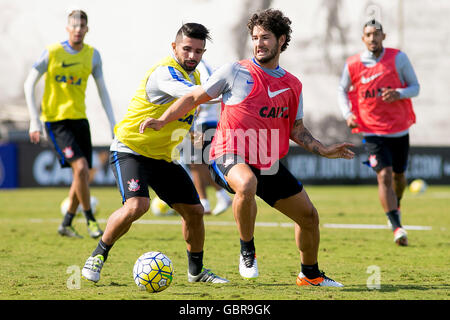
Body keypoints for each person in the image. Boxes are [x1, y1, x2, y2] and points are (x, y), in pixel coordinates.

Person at [140, 9, 355, 287]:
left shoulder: (293, 85)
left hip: (267, 161)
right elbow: (195, 96)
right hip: (227, 154)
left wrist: (323, 149)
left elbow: (296, 129)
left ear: (281, 39)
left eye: (265, 37)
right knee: (247, 183)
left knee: (309, 217)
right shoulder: (235, 71)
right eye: (255, 37)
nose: (258, 43)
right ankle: (247, 251)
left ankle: (310, 274)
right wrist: (163, 119)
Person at [81, 23, 228, 284]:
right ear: (174, 47)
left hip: (162, 158)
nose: (192, 56)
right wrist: (234, 90)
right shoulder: (165, 73)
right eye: (187, 49)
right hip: (131, 150)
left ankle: (196, 272)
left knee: (194, 211)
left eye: (198, 51)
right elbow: (194, 96)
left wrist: (190, 131)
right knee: (138, 205)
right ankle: (98, 255)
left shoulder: (193, 77)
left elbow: (189, 105)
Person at [24, 10, 116, 239]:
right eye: (73, 25)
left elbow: (103, 91)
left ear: (87, 29)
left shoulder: (93, 56)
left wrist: (114, 124)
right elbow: (29, 83)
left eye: (81, 25)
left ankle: (66, 223)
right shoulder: (53, 52)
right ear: (67, 28)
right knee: (82, 168)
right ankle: (91, 221)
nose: (77, 29)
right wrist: (34, 119)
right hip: (56, 121)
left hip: (80, 120)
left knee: (80, 174)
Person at [338, 20, 420, 246]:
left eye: (377, 34)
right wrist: (348, 114)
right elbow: (342, 90)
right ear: (362, 38)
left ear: (384, 36)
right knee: (383, 175)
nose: (373, 38)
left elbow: (416, 87)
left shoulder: (398, 58)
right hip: (371, 130)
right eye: (368, 34)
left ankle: (396, 204)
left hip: (399, 129)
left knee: (399, 177)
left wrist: (399, 93)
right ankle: (397, 227)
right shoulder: (354, 63)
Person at [188, 59, 232, 216]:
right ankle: (205, 202)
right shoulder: (198, 65)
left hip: (203, 122)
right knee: (195, 163)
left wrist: (198, 107)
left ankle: (220, 196)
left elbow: (209, 87)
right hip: (202, 122)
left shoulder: (199, 66)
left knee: (198, 162)